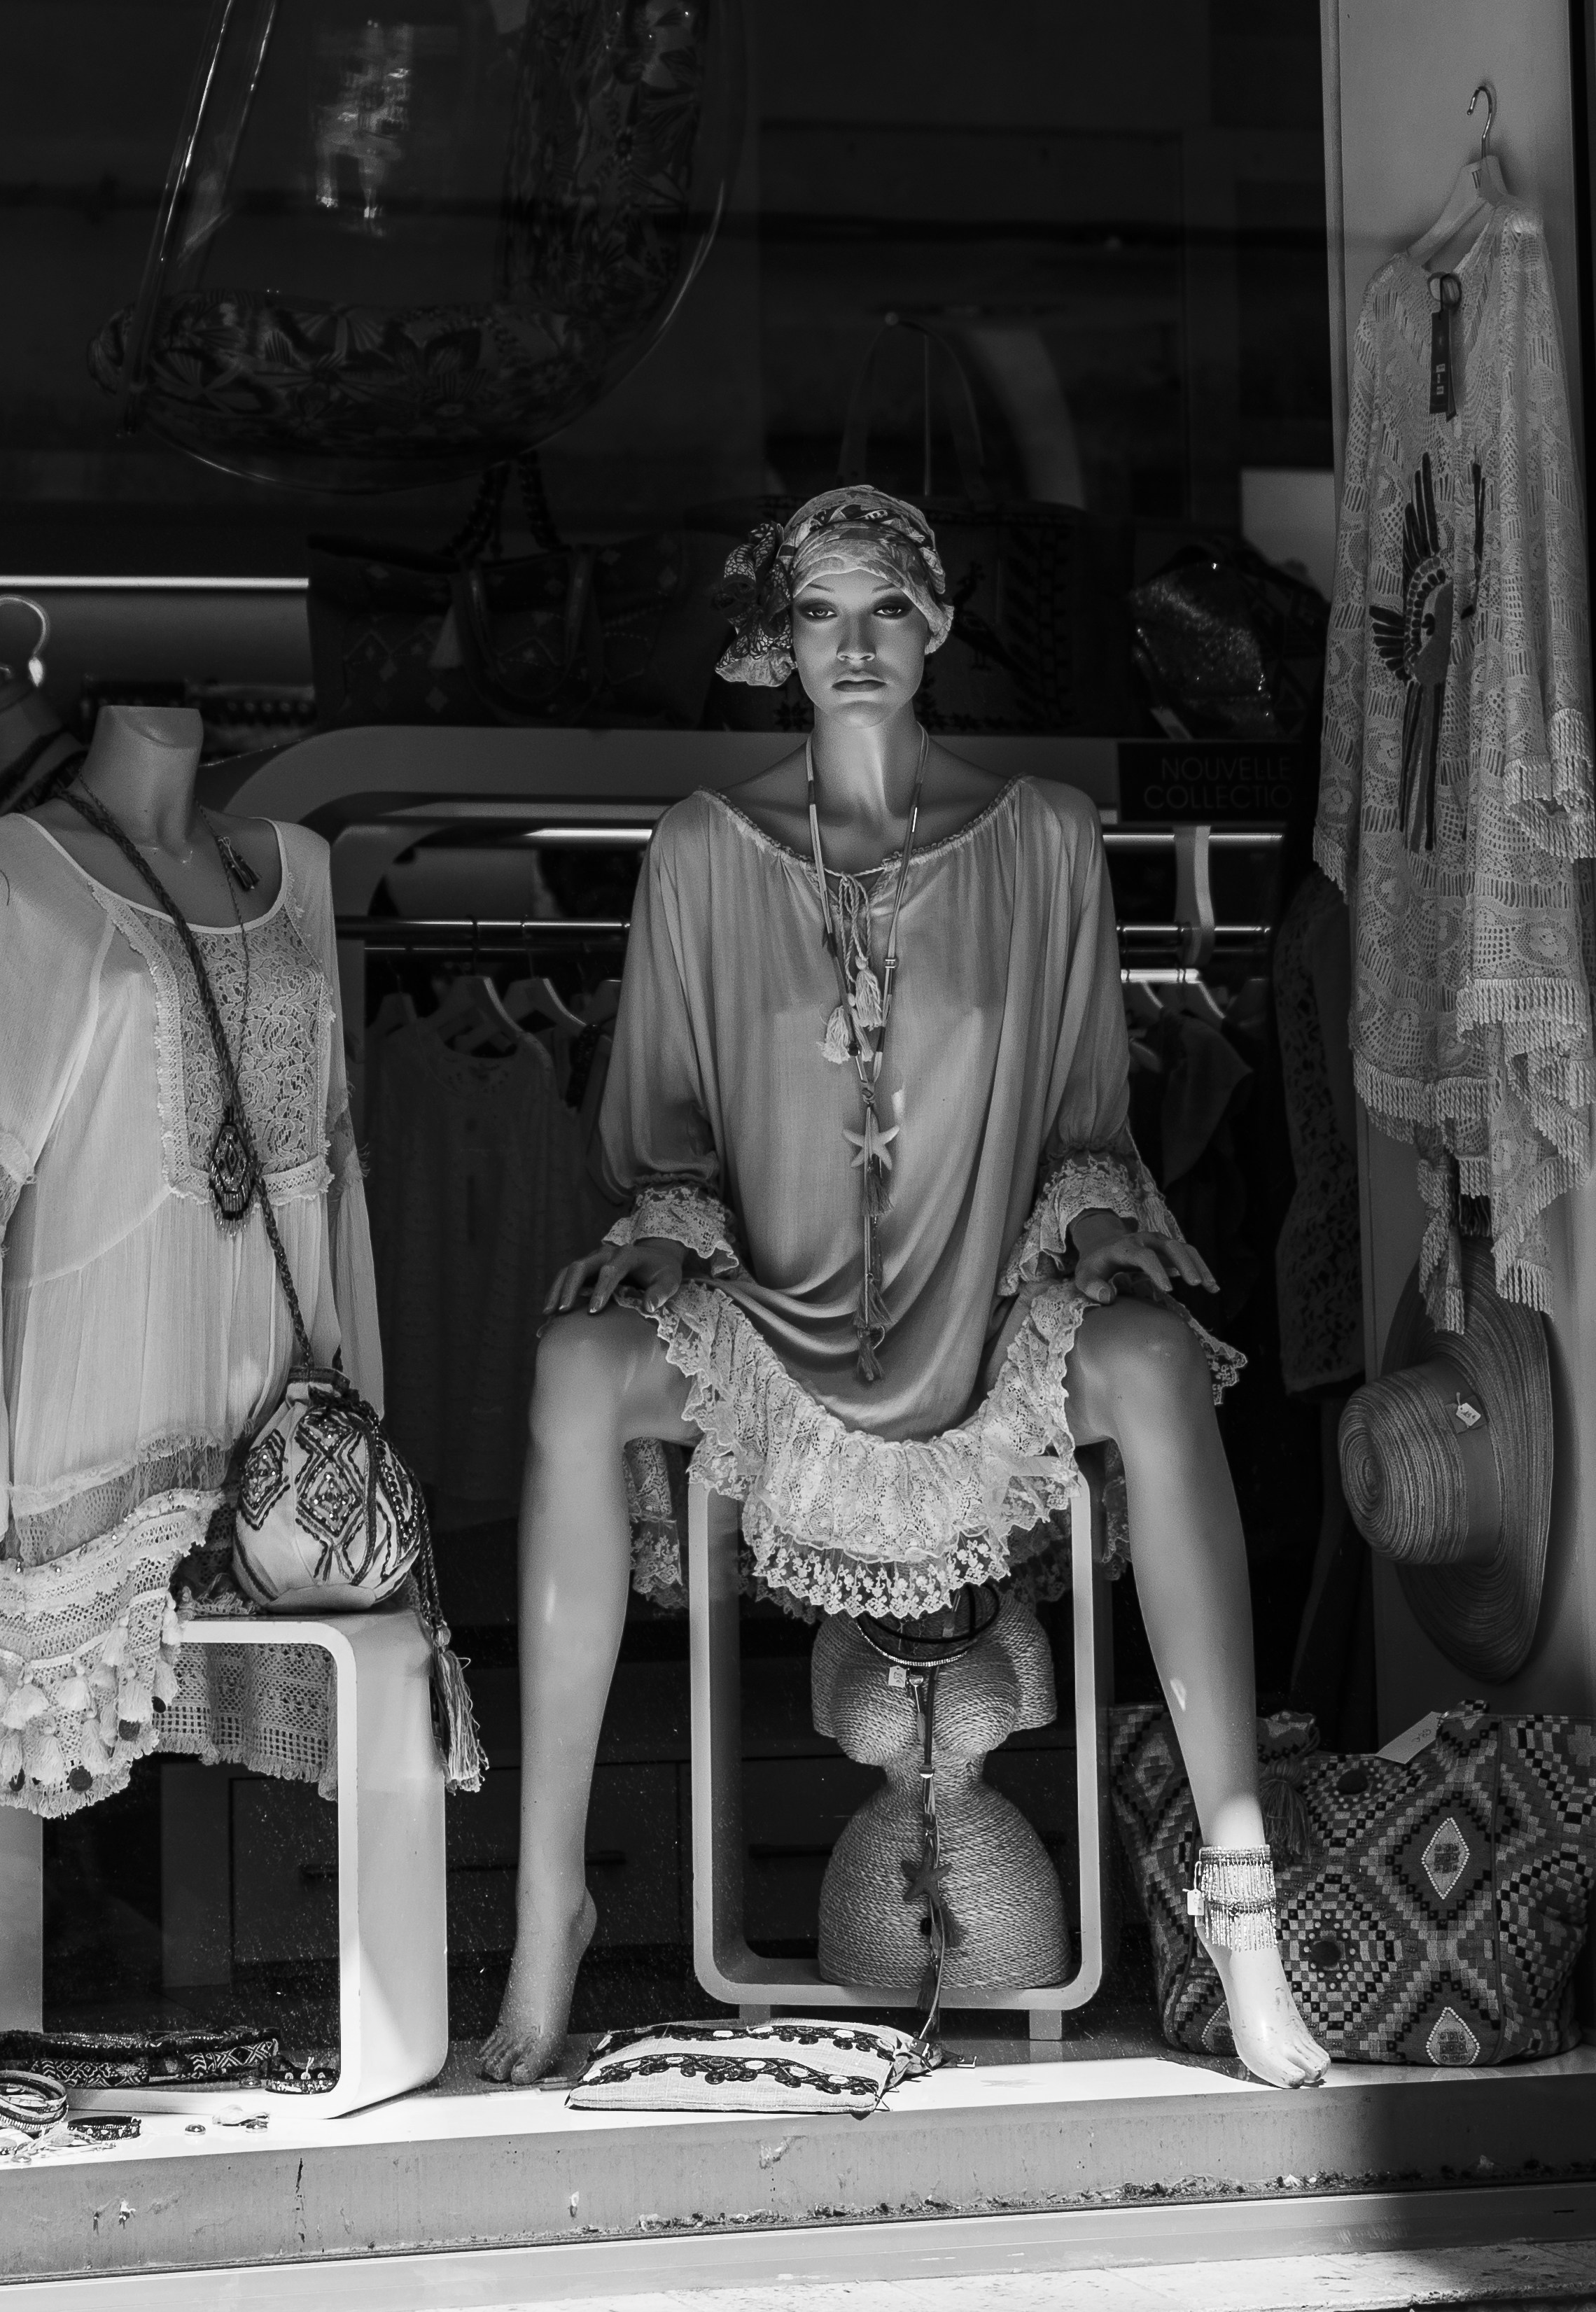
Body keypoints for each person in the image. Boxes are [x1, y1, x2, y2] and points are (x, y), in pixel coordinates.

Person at [476, 487, 1328, 2092]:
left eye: (884, 607)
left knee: (1152, 1355)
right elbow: (659, 1132)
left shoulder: (1043, 839)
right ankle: (546, 1911)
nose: (852, 643)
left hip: (975, 1327)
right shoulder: (699, 851)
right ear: (775, 642)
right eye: (817, 611)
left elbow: (1085, 1116)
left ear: (936, 624)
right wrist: (663, 1235)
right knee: (575, 1366)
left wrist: (1093, 1229)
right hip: (780, 1324)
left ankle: (1241, 1908)